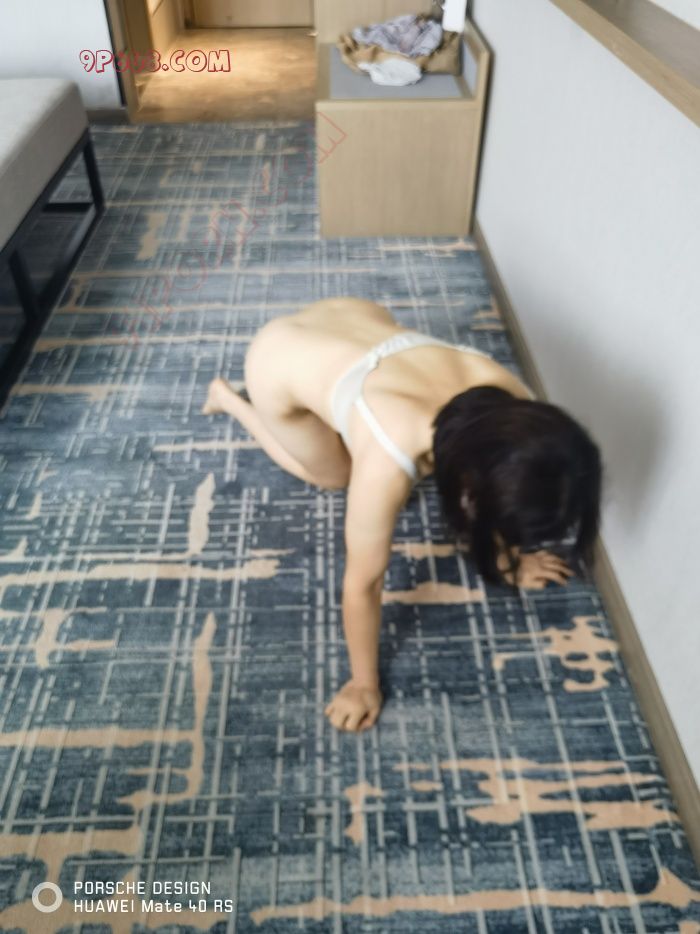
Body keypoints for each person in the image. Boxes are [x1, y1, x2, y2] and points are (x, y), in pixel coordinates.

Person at [203, 298, 602, 732]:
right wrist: (363, 684)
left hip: (357, 315)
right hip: (277, 354)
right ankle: (230, 400)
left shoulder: (518, 406)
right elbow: (364, 584)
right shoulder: (385, 462)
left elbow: (498, 481)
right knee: (334, 476)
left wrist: (514, 560)